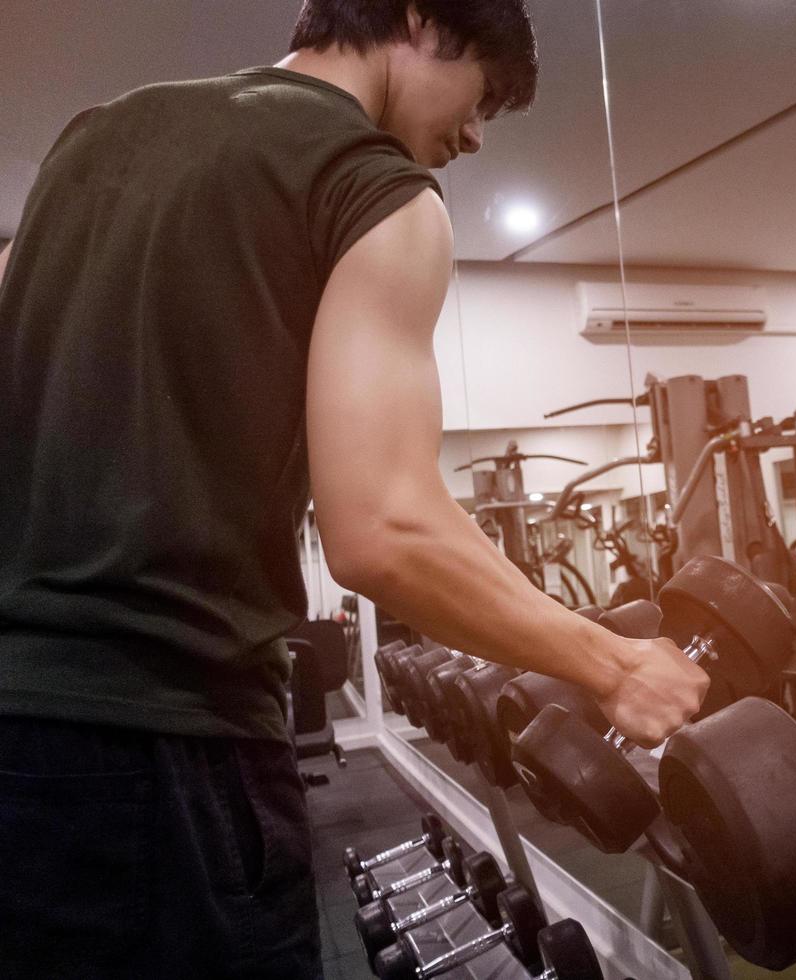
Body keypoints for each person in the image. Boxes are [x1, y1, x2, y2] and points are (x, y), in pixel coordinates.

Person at [0, 2, 707, 976]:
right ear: (418, 18)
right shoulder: (373, 189)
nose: (472, 134)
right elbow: (383, 531)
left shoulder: (89, 143)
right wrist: (616, 665)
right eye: (484, 96)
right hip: (176, 752)